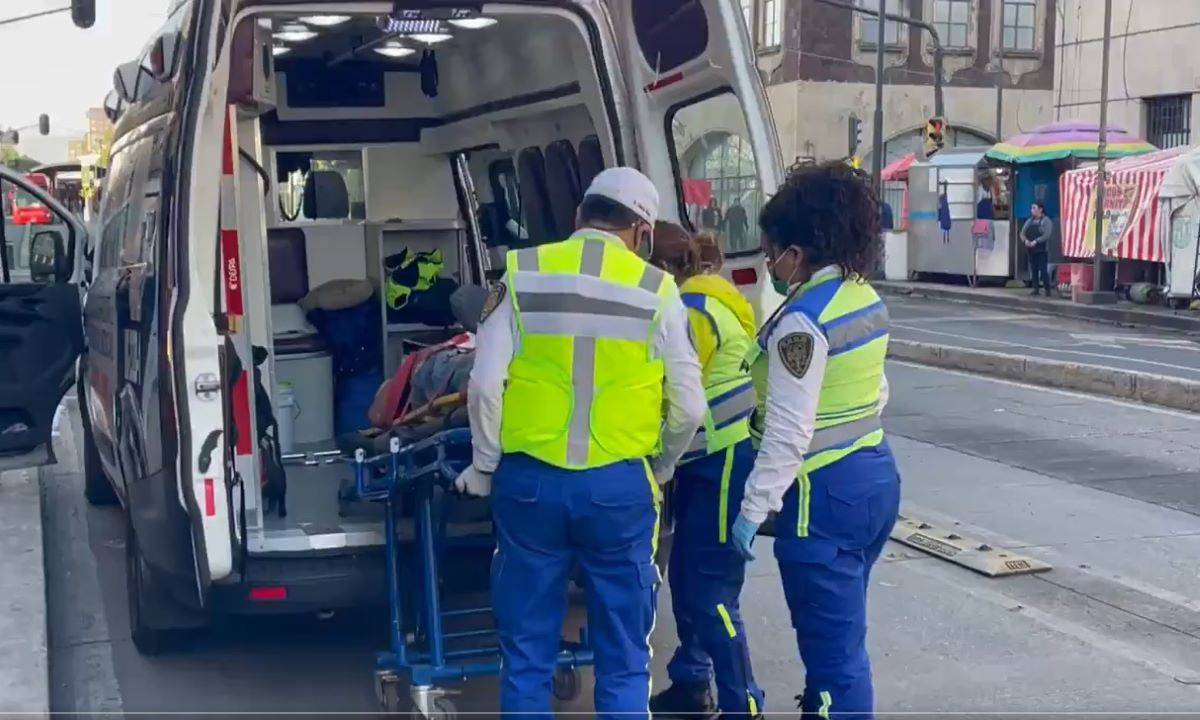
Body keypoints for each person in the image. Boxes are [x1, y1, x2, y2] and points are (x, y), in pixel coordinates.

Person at [456, 167, 707, 719]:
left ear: (578, 217)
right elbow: (690, 406)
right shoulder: (659, 291)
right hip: (618, 487)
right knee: (623, 658)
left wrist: (484, 463)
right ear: (642, 233)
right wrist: (659, 465)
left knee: (525, 657)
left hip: (529, 484)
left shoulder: (523, 274)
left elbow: (483, 385)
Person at [731, 161, 900, 720]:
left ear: (796, 254)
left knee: (832, 663)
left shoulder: (802, 322)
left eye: (770, 251)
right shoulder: (863, 298)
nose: (769, 263)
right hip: (874, 478)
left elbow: (787, 431)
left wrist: (753, 511)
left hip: (820, 499)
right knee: (845, 644)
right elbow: (877, 392)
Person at [648, 223, 765, 720]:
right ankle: (693, 681)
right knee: (688, 578)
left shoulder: (692, 310)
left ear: (666, 268)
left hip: (717, 461)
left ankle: (745, 704)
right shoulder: (717, 297)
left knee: (711, 591)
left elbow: (678, 395)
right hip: (710, 462)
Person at [1021, 201, 1054, 296]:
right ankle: (1036, 289)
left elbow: (1047, 234)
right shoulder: (1029, 221)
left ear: (1040, 209)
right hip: (1031, 249)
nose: (1032, 210)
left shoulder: (1046, 221)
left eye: (1034, 208)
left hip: (1042, 249)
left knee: (1043, 270)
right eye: (1032, 208)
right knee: (1033, 269)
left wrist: (1036, 241)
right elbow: (1022, 233)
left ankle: (1047, 289)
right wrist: (1026, 241)